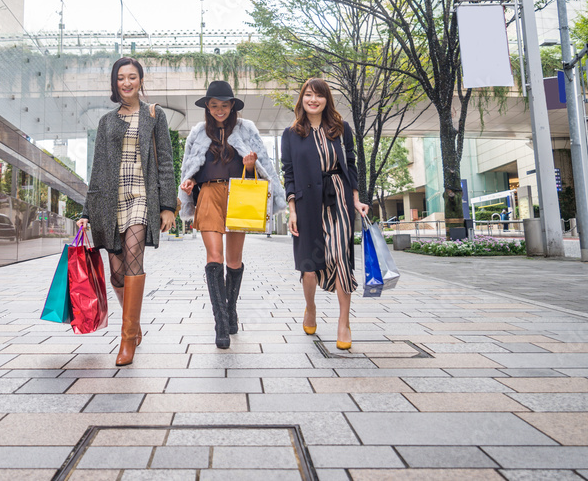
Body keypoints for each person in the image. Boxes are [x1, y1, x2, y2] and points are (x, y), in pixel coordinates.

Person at [77, 57, 176, 366]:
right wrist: (86, 212)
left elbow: (166, 162)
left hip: (141, 199)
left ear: (140, 80)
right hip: (110, 201)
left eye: (132, 77)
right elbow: (97, 170)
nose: (127, 82)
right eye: (121, 77)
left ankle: (126, 338)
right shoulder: (106, 121)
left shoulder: (153, 115)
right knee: (117, 274)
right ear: (114, 82)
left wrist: (168, 206)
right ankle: (133, 324)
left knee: (134, 259)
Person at [178, 81, 284, 348]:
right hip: (208, 196)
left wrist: (251, 165)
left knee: (234, 261)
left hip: (240, 195)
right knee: (215, 258)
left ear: (232, 106)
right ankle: (221, 323)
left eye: (224, 105)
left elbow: (265, 168)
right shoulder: (198, 132)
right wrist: (188, 184)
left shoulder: (246, 129)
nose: (219, 110)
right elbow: (188, 169)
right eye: (214, 106)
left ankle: (231, 308)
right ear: (207, 108)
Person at [281, 78, 369, 350]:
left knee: (341, 258)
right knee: (310, 266)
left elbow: (352, 165)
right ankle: (310, 307)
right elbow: (289, 174)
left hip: (339, 199)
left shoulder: (342, 130)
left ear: (326, 100)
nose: (313, 100)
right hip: (307, 203)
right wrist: (292, 209)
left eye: (319, 95)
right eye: (308, 95)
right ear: (302, 99)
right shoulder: (291, 134)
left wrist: (356, 198)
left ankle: (344, 322)